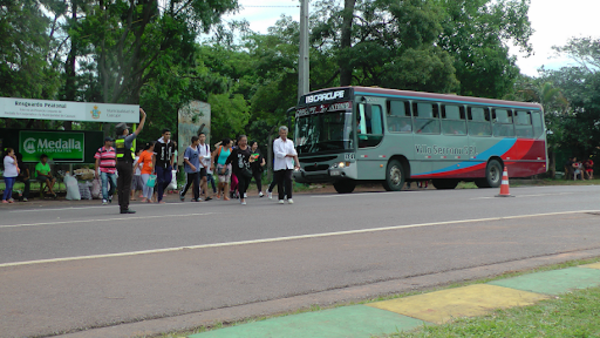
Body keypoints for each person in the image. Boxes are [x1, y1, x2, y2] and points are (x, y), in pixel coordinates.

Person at [115, 107, 146, 214]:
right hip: (127, 164)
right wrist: (144, 117)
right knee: (127, 185)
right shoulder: (127, 139)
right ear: (124, 131)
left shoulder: (117, 141)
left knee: (121, 186)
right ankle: (125, 207)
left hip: (119, 163)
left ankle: (121, 206)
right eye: (127, 128)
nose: (128, 130)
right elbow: (139, 129)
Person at [273, 126, 300, 204]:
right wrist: (287, 155)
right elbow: (277, 153)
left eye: (285, 133)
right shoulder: (276, 142)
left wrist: (297, 163)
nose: (283, 135)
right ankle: (281, 197)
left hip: (288, 165)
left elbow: (294, 153)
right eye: (282, 133)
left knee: (288, 179)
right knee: (280, 182)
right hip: (279, 165)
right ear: (279, 133)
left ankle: (289, 197)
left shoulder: (290, 142)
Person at [225, 135, 254, 205]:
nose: (244, 142)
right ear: (239, 142)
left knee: (247, 182)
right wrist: (225, 165)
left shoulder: (249, 149)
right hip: (238, 169)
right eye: (243, 141)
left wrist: (253, 159)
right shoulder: (236, 150)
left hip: (247, 168)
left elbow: (253, 157)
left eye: (245, 140)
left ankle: (242, 192)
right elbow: (230, 158)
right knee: (241, 183)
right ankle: (242, 198)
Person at [153, 128, 176, 204]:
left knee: (168, 180)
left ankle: (159, 190)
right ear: (163, 135)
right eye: (166, 134)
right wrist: (153, 166)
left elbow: (173, 154)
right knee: (160, 180)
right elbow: (154, 156)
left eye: (169, 134)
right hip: (160, 164)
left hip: (168, 164)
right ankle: (160, 198)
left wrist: (172, 164)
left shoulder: (171, 143)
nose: (168, 136)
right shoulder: (158, 143)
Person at [94, 136, 117, 205]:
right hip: (103, 169)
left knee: (114, 185)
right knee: (104, 184)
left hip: (112, 170)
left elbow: (116, 159)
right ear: (106, 142)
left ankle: (109, 194)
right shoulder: (100, 150)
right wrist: (96, 170)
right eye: (110, 141)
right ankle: (104, 198)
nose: (111, 143)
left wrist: (116, 166)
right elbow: (97, 160)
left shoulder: (114, 150)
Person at [180, 136, 201, 202]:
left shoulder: (197, 148)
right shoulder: (189, 149)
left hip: (196, 168)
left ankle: (196, 197)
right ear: (194, 141)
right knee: (189, 183)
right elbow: (186, 159)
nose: (198, 142)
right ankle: (182, 193)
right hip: (189, 169)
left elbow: (198, 157)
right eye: (198, 141)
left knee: (196, 183)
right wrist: (191, 166)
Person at [197, 132, 213, 201]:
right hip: (198, 165)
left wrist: (203, 157)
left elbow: (209, 155)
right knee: (197, 180)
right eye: (201, 137)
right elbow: (197, 157)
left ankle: (206, 195)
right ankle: (196, 193)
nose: (202, 138)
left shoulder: (207, 146)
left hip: (204, 165)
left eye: (203, 137)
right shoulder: (197, 146)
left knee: (205, 179)